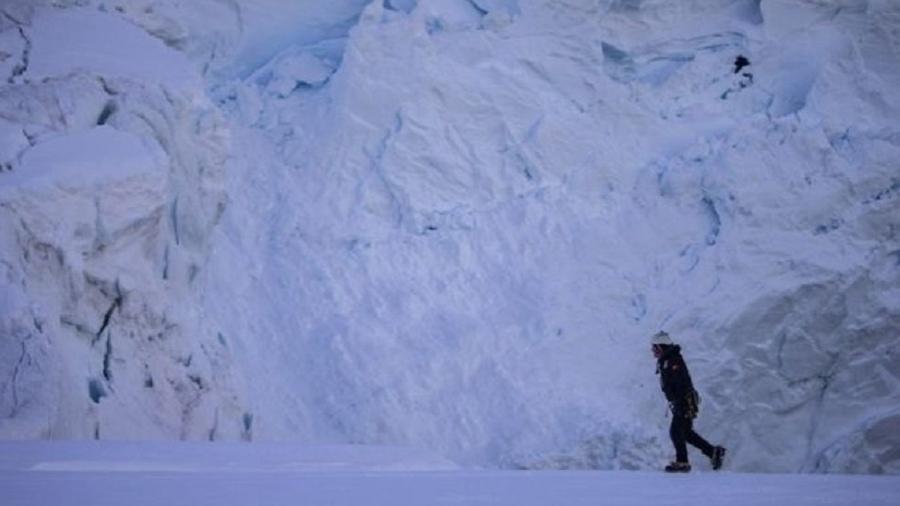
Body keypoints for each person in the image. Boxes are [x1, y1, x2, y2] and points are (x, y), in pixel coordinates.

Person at [651, 330, 726, 472]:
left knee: (676, 431)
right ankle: (713, 452)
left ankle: (683, 462)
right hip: (681, 402)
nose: (652, 351)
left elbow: (680, 383)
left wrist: (680, 403)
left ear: (661, 347)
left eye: (654, 347)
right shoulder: (668, 359)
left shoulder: (673, 361)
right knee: (686, 433)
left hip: (684, 402)